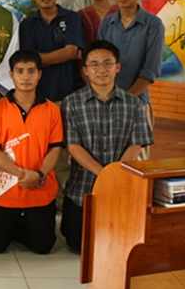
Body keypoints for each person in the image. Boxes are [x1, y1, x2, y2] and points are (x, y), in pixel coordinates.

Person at [61, 40, 153, 253]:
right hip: (82, 191)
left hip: (120, 188)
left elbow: (137, 144)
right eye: (94, 64)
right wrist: (104, 174)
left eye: (107, 63)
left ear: (117, 67)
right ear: (85, 70)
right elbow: (73, 146)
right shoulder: (71, 103)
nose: (101, 69)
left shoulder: (135, 104)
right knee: (78, 245)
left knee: (118, 244)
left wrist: (114, 175)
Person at [0, 50, 62, 254]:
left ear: (39, 74)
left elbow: (55, 148)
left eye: (31, 71)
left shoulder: (52, 110)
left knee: (43, 247)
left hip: (40, 190)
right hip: (5, 193)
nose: (26, 77)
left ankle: (24, 226)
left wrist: (39, 175)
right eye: (20, 71)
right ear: (11, 74)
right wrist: (22, 175)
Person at [98, 0, 165, 122]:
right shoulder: (107, 23)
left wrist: (124, 100)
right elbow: (100, 63)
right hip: (105, 101)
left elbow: (150, 71)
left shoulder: (153, 25)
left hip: (136, 102)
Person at [19, 0, 85, 102]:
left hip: (71, 93)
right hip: (39, 95)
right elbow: (29, 60)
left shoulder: (72, 18)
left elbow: (72, 52)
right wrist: (62, 54)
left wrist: (40, 58)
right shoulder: (27, 24)